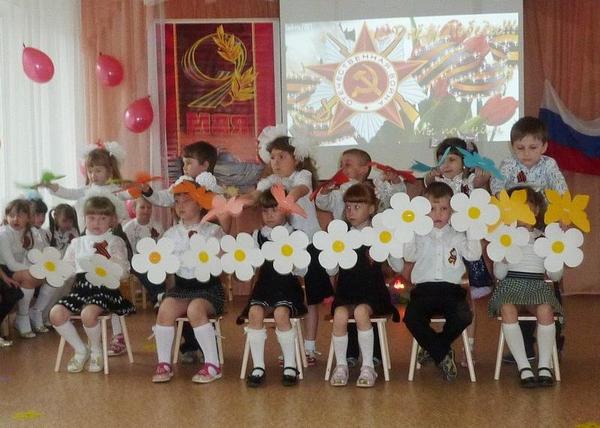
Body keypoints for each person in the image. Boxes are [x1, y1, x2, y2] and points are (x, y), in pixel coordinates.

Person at [242, 126, 332, 365]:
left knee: (310, 299)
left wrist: (289, 198)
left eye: (282, 156)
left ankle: (309, 348)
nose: (276, 162)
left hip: (308, 244)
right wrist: (236, 202)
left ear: (297, 158)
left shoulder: (302, 176)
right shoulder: (271, 181)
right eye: (272, 157)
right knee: (289, 297)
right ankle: (290, 347)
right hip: (283, 248)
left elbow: (301, 190)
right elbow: (254, 196)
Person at [490, 117, 568, 362]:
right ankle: (523, 345)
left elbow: (562, 191)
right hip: (514, 227)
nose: (526, 153)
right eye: (520, 148)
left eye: (533, 147)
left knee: (548, 283)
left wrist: (563, 217)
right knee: (516, 280)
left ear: (544, 146)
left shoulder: (549, 165)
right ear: (512, 146)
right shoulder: (507, 165)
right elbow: (497, 190)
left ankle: (553, 339)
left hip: (543, 224)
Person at [403, 182, 481, 381]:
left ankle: (435, 348)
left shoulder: (457, 235)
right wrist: (409, 230)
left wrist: (472, 227)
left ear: (452, 211)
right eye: (432, 209)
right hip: (423, 291)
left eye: (444, 209)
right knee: (411, 318)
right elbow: (409, 256)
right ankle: (441, 351)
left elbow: (473, 255)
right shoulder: (419, 235)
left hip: (451, 291)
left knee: (464, 316)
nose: (438, 214)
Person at [488, 185, 563, 387]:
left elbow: (555, 275)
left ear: (536, 210)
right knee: (507, 309)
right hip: (511, 285)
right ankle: (524, 366)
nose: (522, 215)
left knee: (545, 310)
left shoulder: (544, 238)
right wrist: (502, 258)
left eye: (527, 209)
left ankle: (544, 365)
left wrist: (557, 256)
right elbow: (499, 274)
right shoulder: (505, 237)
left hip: (537, 286)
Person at [152, 180, 225, 384]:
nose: (180, 205)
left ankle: (212, 364)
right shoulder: (170, 234)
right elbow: (165, 265)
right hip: (182, 288)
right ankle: (164, 363)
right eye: (177, 201)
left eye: (186, 200)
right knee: (165, 310)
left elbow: (221, 262)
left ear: (200, 204)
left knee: (195, 309)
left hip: (208, 288)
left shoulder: (213, 231)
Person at [49, 196, 134, 373]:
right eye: (92, 218)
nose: (97, 223)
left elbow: (124, 271)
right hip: (80, 290)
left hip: (105, 290)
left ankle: (96, 350)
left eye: (102, 218)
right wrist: (53, 270)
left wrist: (111, 263)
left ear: (111, 220)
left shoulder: (115, 241)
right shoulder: (77, 242)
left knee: (88, 314)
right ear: (84, 219)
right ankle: (81, 350)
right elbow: (68, 268)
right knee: (56, 314)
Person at [328, 184, 402, 387]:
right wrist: (332, 252)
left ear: (371, 208)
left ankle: (368, 366)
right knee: (339, 315)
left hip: (373, 294)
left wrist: (391, 244)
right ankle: (341, 365)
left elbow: (397, 266)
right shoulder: (342, 235)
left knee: (361, 312)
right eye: (348, 207)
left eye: (357, 207)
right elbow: (332, 271)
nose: (351, 212)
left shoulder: (378, 234)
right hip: (346, 293)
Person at [238, 189, 308, 387]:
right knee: (254, 312)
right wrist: (241, 267)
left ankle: (290, 365)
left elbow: (302, 269)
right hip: (265, 286)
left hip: (288, 288)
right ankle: (258, 366)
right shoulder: (257, 235)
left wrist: (292, 261)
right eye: (265, 211)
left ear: (286, 209)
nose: (269, 215)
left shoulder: (296, 235)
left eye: (274, 210)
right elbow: (252, 266)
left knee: (280, 313)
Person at [0, 199, 46, 337]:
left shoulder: (29, 232)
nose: (15, 219)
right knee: (31, 276)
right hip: (5, 268)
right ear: (6, 216)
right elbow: (11, 264)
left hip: (16, 268)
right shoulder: (4, 234)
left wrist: (39, 268)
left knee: (41, 277)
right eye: (11, 215)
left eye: (20, 216)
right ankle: (23, 317)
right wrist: (34, 270)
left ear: (28, 218)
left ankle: (24, 317)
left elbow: (35, 254)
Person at [32, 203, 80, 328]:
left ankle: (53, 314)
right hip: (50, 268)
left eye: (70, 221)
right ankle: (39, 313)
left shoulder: (74, 233)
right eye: (64, 221)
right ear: (55, 217)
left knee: (69, 281)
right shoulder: (47, 232)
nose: (68, 224)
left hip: (66, 269)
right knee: (55, 283)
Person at [123, 197, 164, 306]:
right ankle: (158, 296)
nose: (146, 210)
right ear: (134, 209)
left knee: (161, 268)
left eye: (149, 207)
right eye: (142, 207)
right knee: (142, 268)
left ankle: (160, 297)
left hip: (154, 259)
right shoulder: (128, 228)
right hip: (135, 260)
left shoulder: (157, 226)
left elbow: (162, 246)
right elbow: (126, 251)